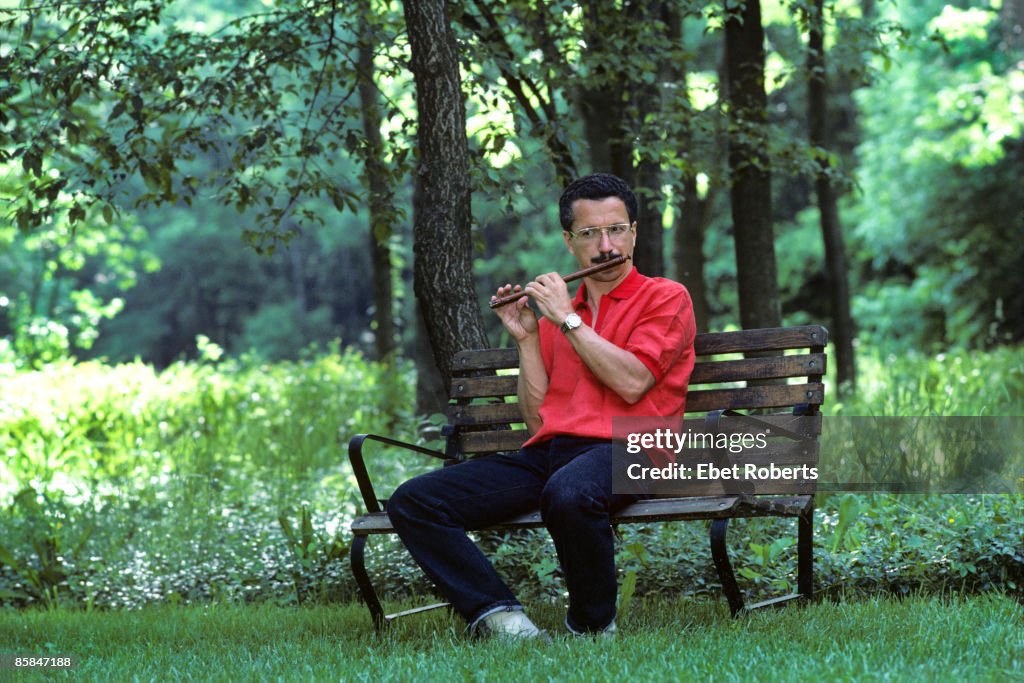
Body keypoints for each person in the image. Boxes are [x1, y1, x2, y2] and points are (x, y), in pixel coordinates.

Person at [387, 173, 696, 639]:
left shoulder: (665, 297)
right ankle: (504, 621)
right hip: (552, 456)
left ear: (635, 232)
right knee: (415, 501)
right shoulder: (554, 316)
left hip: (637, 450)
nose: (605, 246)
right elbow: (536, 420)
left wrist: (567, 320)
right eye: (590, 234)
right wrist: (528, 339)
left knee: (570, 492)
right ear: (570, 241)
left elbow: (633, 382)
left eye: (616, 230)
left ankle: (592, 628)